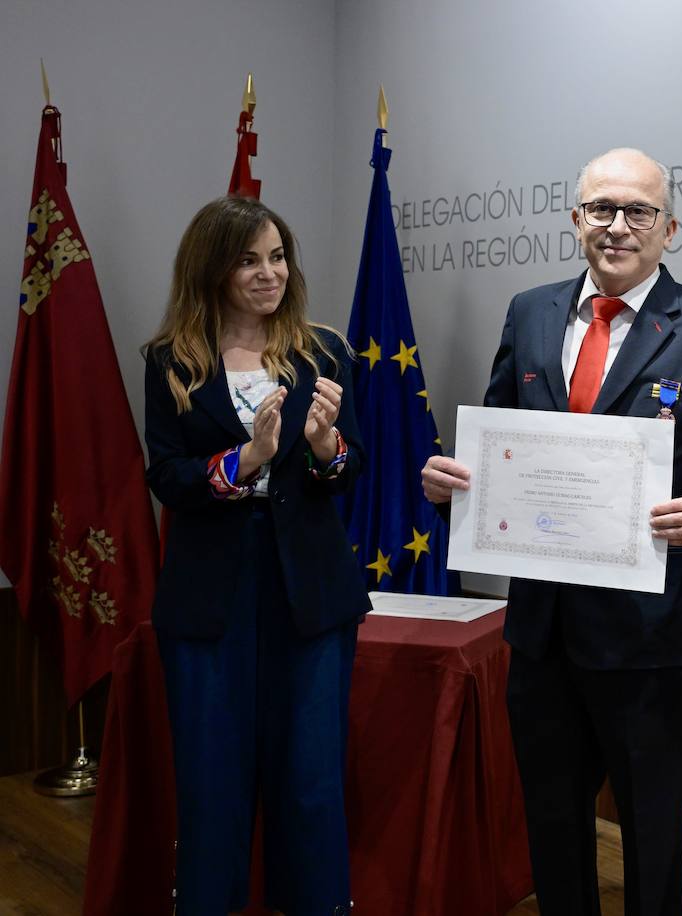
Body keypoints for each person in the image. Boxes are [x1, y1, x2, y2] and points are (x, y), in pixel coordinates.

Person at [421, 147, 682, 914]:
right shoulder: (530, 311)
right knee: (551, 824)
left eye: (638, 212)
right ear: (575, 218)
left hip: (649, 636)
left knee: (650, 832)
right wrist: (453, 484)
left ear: (670, 228)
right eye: (601, 210)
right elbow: (499, 442)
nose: (617, 227)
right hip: (542, 631)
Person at [143, 196, 369, 916]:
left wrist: (327, 448)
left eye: (277, 257)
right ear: (212, 268)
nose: (269, 273)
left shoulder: (323, 350)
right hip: (211, 604)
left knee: (311, 784)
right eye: (248, 260)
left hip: (311, 600)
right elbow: (167, 476)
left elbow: (350, 467)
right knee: (212, 784)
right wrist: (247, 459)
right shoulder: (170, 361)